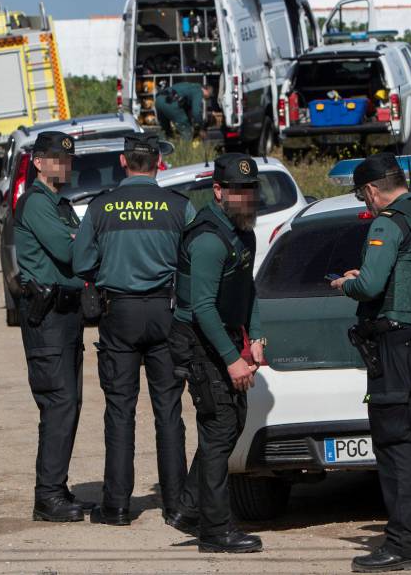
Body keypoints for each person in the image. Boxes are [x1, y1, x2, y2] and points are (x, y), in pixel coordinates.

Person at [329, 152, 411, 573]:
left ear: (370, 190)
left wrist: (347, 283)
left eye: (362, 197)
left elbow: (370, 285)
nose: (364, 204)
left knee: (396, 443)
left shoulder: (387, 222)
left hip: (394, 344)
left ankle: (403, 546)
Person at [72, 133, 196, 526]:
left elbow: (80, 263)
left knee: (120, 412)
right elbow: (195, 261)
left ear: (124, 163)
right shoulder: (180, 207)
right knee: (169, 412)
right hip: (166, 312)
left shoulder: (101, 207)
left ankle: (118, 506)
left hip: (118, 315)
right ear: (159, 162)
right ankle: (176, 505)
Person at [164, 152, 265, 553]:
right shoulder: (208, 239)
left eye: (251, 191)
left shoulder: (244, 232)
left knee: (230, 424)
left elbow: (247, 287)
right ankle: (215, 530)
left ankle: (191, 508)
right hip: (198, 340)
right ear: (219, 191)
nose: (247, 199)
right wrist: (232, 358)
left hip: (222, 334)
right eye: (239, 192)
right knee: (220, 428)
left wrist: (256, 335)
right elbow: (202, 308)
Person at [14, 131, 89, 522]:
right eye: (58, 159)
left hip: (66, 315)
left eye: (69, 159)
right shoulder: (37, 204)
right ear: (39, 162)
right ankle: (47, 497)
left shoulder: (59, 205)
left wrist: (79, 237)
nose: (65, 165)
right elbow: (70, 250)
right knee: (59, 403)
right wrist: (79, 238)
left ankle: (56, 489)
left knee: (68, 403)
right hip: (48, 318)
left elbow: (79, 243)